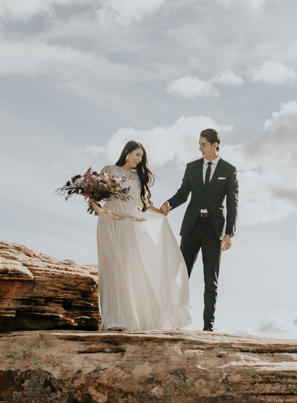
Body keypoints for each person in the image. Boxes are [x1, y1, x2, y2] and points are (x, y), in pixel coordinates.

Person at [93, 140, 191, 331]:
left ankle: (128, 319)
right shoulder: (109, 169)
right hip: (108, 219)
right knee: (111, 266)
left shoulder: (138, 178)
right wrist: (94, 204)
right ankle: (113, 319)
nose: (139, 159)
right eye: (137, 155)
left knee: (128, 268)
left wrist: (161, 211)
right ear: (127, 153)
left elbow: (143, 204)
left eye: (142, 157)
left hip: (129, 221)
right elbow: (96, 195)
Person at [160, 128, 238, 332]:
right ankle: (172, 321)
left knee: (210, 280)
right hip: (191, 228)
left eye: (203, 144)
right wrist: (169, 203)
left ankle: (208, 327)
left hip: (213, 230)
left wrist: (229, 232)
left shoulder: (229, 170)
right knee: (180, 274)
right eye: (199, 144)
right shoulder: (192, 167)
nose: (200, 148)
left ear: (214, 145)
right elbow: (183, 193)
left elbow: (232, 203)